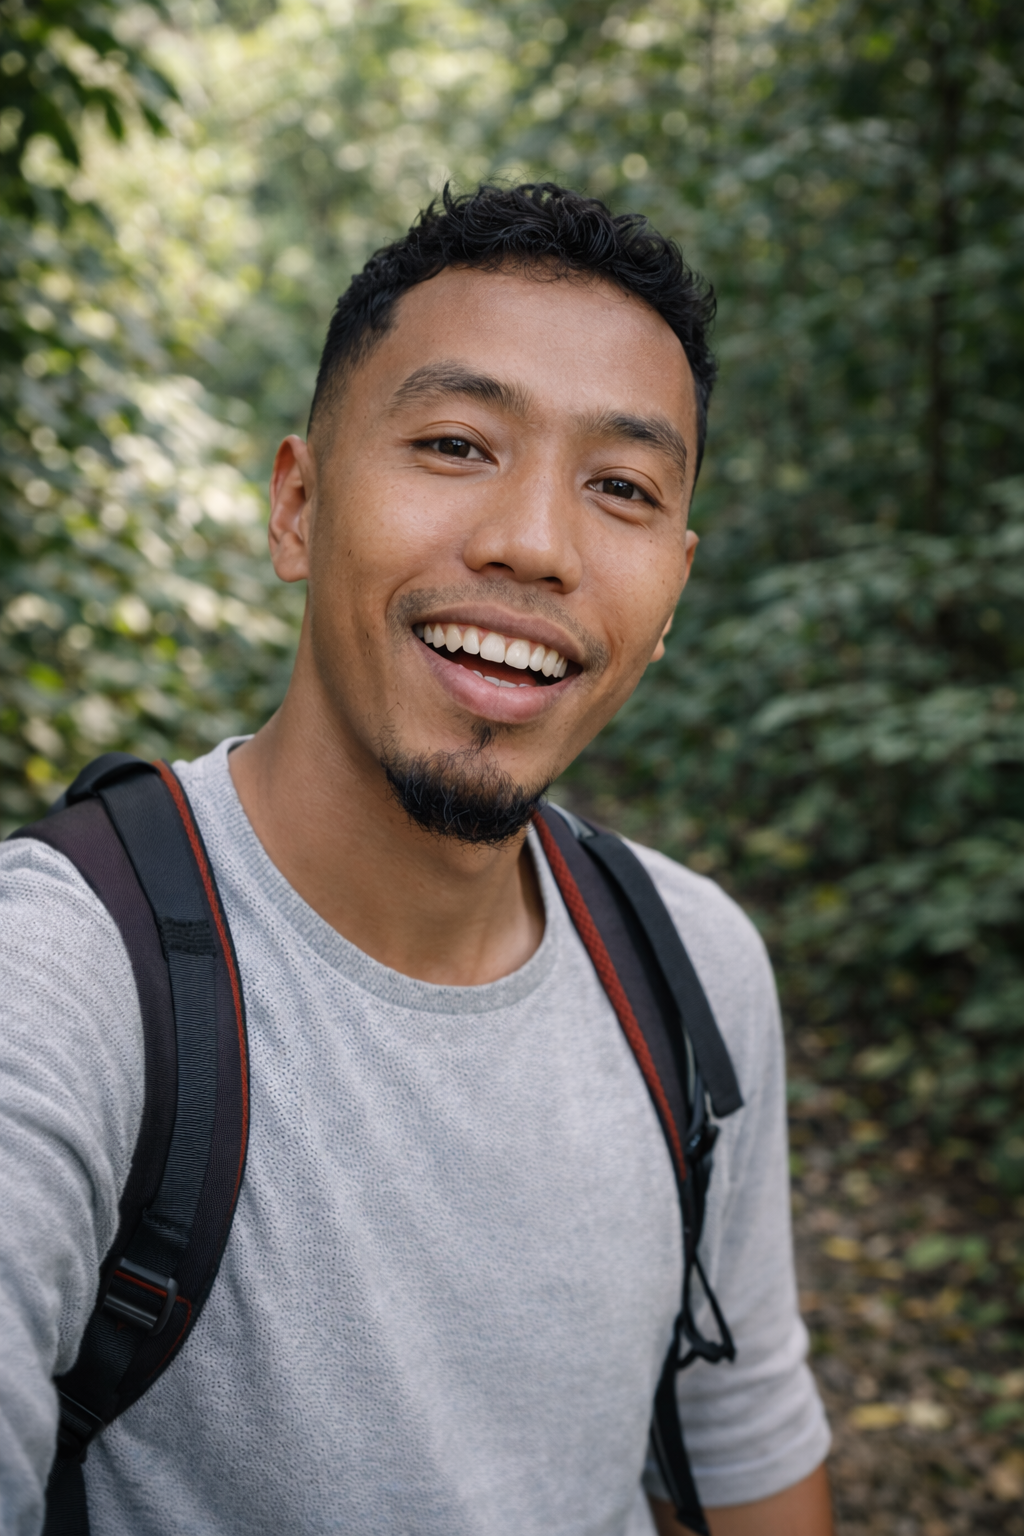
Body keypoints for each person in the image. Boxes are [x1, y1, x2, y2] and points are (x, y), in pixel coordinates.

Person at [0, 183, 832, 1536]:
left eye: (620, 487)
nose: (535, 544)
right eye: (456, 442)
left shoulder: (691, 964)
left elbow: (743, 1429)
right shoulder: (65, 976)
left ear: (673, 587)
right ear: (298, 505)